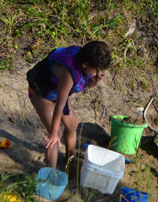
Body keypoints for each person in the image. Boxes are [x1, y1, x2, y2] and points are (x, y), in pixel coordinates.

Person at [27, 41, 112, 169]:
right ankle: (50, 173)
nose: (96, 73)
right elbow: (60, 106)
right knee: (55, 135)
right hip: (40, 94)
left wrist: (92, 83)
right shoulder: (68, 75)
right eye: (96, 70)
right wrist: (54, 133)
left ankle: (70, 160)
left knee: (72, 123)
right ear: (85, 64)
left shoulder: (84, 58)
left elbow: (78, 86)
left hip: (57, 93)